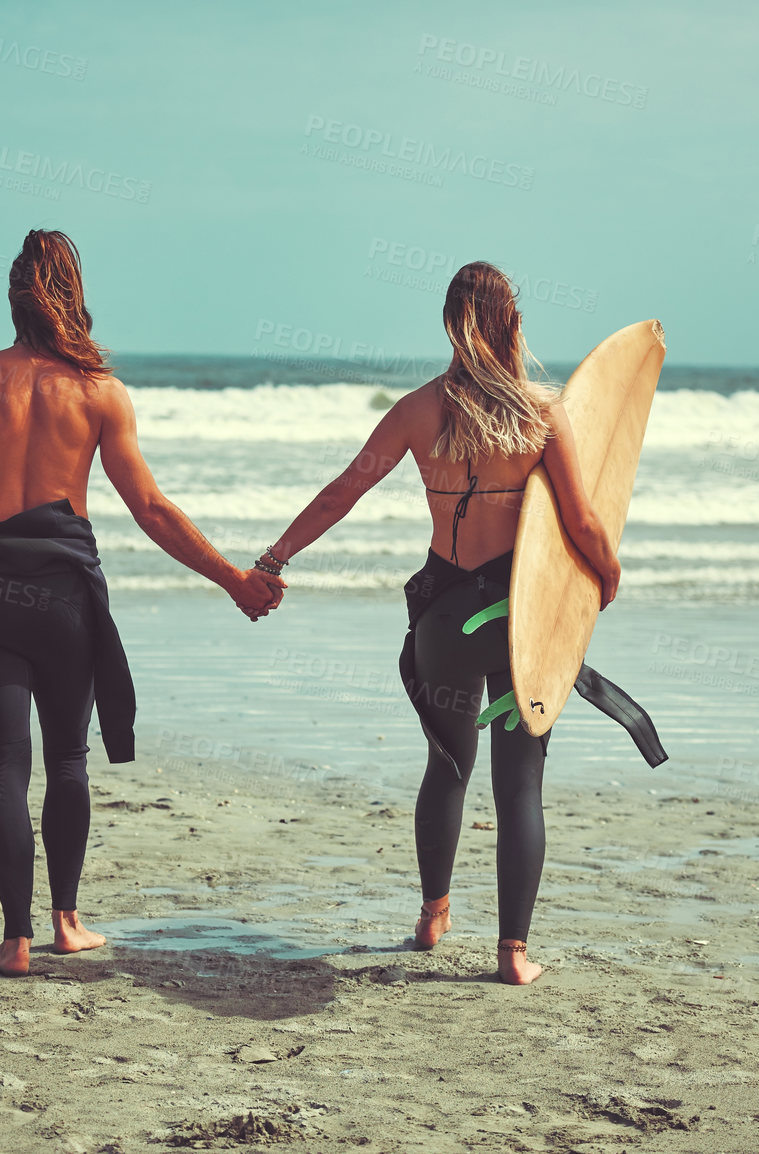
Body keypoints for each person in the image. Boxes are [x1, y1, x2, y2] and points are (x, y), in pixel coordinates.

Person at [0, 229, 282, 976]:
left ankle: (14, 943)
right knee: (68, 758)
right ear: (76, 299)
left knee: (7, 765)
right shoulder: (101, 392)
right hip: (65, 598)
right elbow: (150, 507)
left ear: (11, 298)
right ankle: (67, 924)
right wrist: (234, 579)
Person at [255, 262, 623, 985]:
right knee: (520, 783)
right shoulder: (541, 414)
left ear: (449, 323)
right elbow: (579, 521)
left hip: (443, 620)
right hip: (520, 620)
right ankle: (514, 956)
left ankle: (432, 916)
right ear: (512, 324)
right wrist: (606, 575)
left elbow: (343, 493)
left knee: (447, 766)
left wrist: (274, 557)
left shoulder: (417, 411)